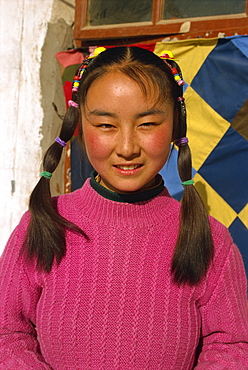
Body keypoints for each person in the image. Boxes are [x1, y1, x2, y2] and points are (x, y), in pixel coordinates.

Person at [0, 46, 247, 369]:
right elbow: (8, 334)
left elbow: (231, 344)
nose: (127, 147)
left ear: (176, 126)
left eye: (147, 124)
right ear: (79, 124)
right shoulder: (44, 225)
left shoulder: (207, 238)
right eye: (106, 126)